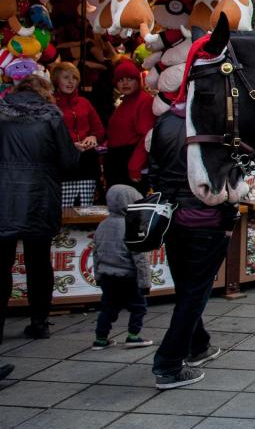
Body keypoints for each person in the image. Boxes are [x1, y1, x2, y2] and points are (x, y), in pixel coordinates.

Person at [149, 106, 235, 389]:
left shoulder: (164, 122)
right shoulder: (212, 122)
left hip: (172, 215)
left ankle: (199, 345)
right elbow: (229, 176)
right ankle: (169, 362)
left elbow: (153, 168)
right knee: (195, 291)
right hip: (204, 217)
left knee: (187, 286)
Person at [0, 75, 80, 341]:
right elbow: (69, 160)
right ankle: (39, 322)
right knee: (39, 262)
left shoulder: (1, 113)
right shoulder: (51, 115)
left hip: (5, 197)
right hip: (40, 197)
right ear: (45, 92)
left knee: (2, 264)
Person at [92, 184, 154, 349]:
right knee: (138, 307)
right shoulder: (132, 227)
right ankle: (133, 336)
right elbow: (141, 258)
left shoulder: (102, 225)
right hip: (128, 277)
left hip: (107, 276)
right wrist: (145, 283)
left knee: (108, 308)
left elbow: (96, 253)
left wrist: (97, 276)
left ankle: (100, 338)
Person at [53, 62, 105, 206]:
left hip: (87, 162)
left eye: (74, 78)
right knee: (62, 209)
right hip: (63, 164)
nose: (71, 81)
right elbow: (48, 136)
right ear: (57, 80)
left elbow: (99, 129)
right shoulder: (51, 104)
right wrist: (69, 146)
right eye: (66, 77)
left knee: (86, 207)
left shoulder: (84, 102)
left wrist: (93, 137)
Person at [104, 58, 154, 190]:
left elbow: (146, 137)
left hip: (130, 162)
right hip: (118, 163)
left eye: (129, 79)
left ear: (137, 81)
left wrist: (135, 165)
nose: (124, 83)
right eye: (120, 80)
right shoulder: (124, 102)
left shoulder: (144, 101)